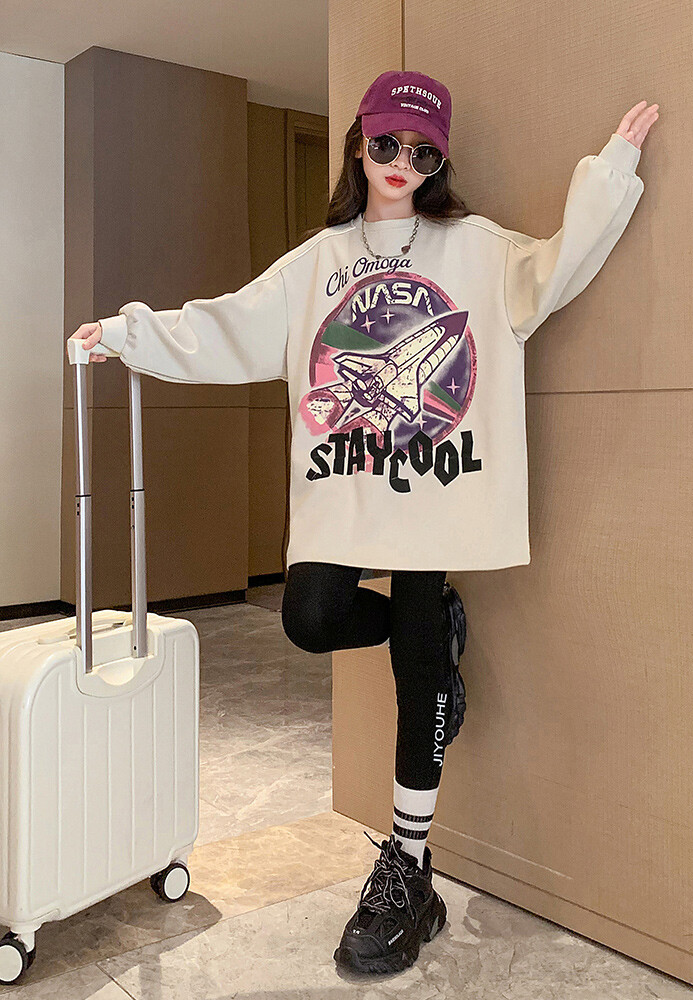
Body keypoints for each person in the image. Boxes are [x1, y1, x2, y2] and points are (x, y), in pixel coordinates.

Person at [69, 68, 658, 976]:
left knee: (418, 653)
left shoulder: (476, 248)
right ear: (358, 144)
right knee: (310, 618)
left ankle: (408, 866)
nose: (401, 164)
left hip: (436, 493)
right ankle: (435, 636)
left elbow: (557, 266)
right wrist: (125, 335)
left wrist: (612, 169)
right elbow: (228, 326)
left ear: (438, 163)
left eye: (422, 153)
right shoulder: (318, 262)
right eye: (386, 144)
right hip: (346, 488)